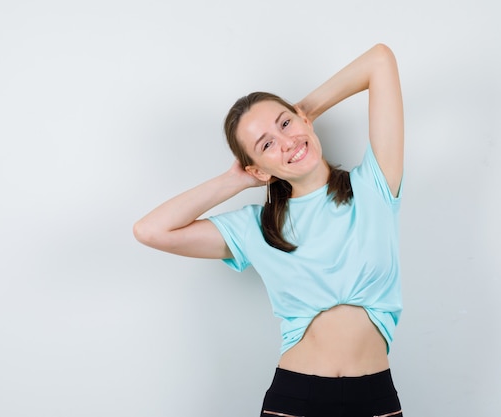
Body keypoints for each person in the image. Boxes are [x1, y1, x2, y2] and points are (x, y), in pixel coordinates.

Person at [133, 43, 404, 417]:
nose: (287, 141)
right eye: (267, 144)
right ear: (258, 169)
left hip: (375, 396)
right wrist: (234, 180)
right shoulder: (256, 227)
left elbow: (379, 60)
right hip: (296, 398)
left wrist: (305, 110)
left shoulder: (374, 186)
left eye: (285, 123)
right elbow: (151, 231)